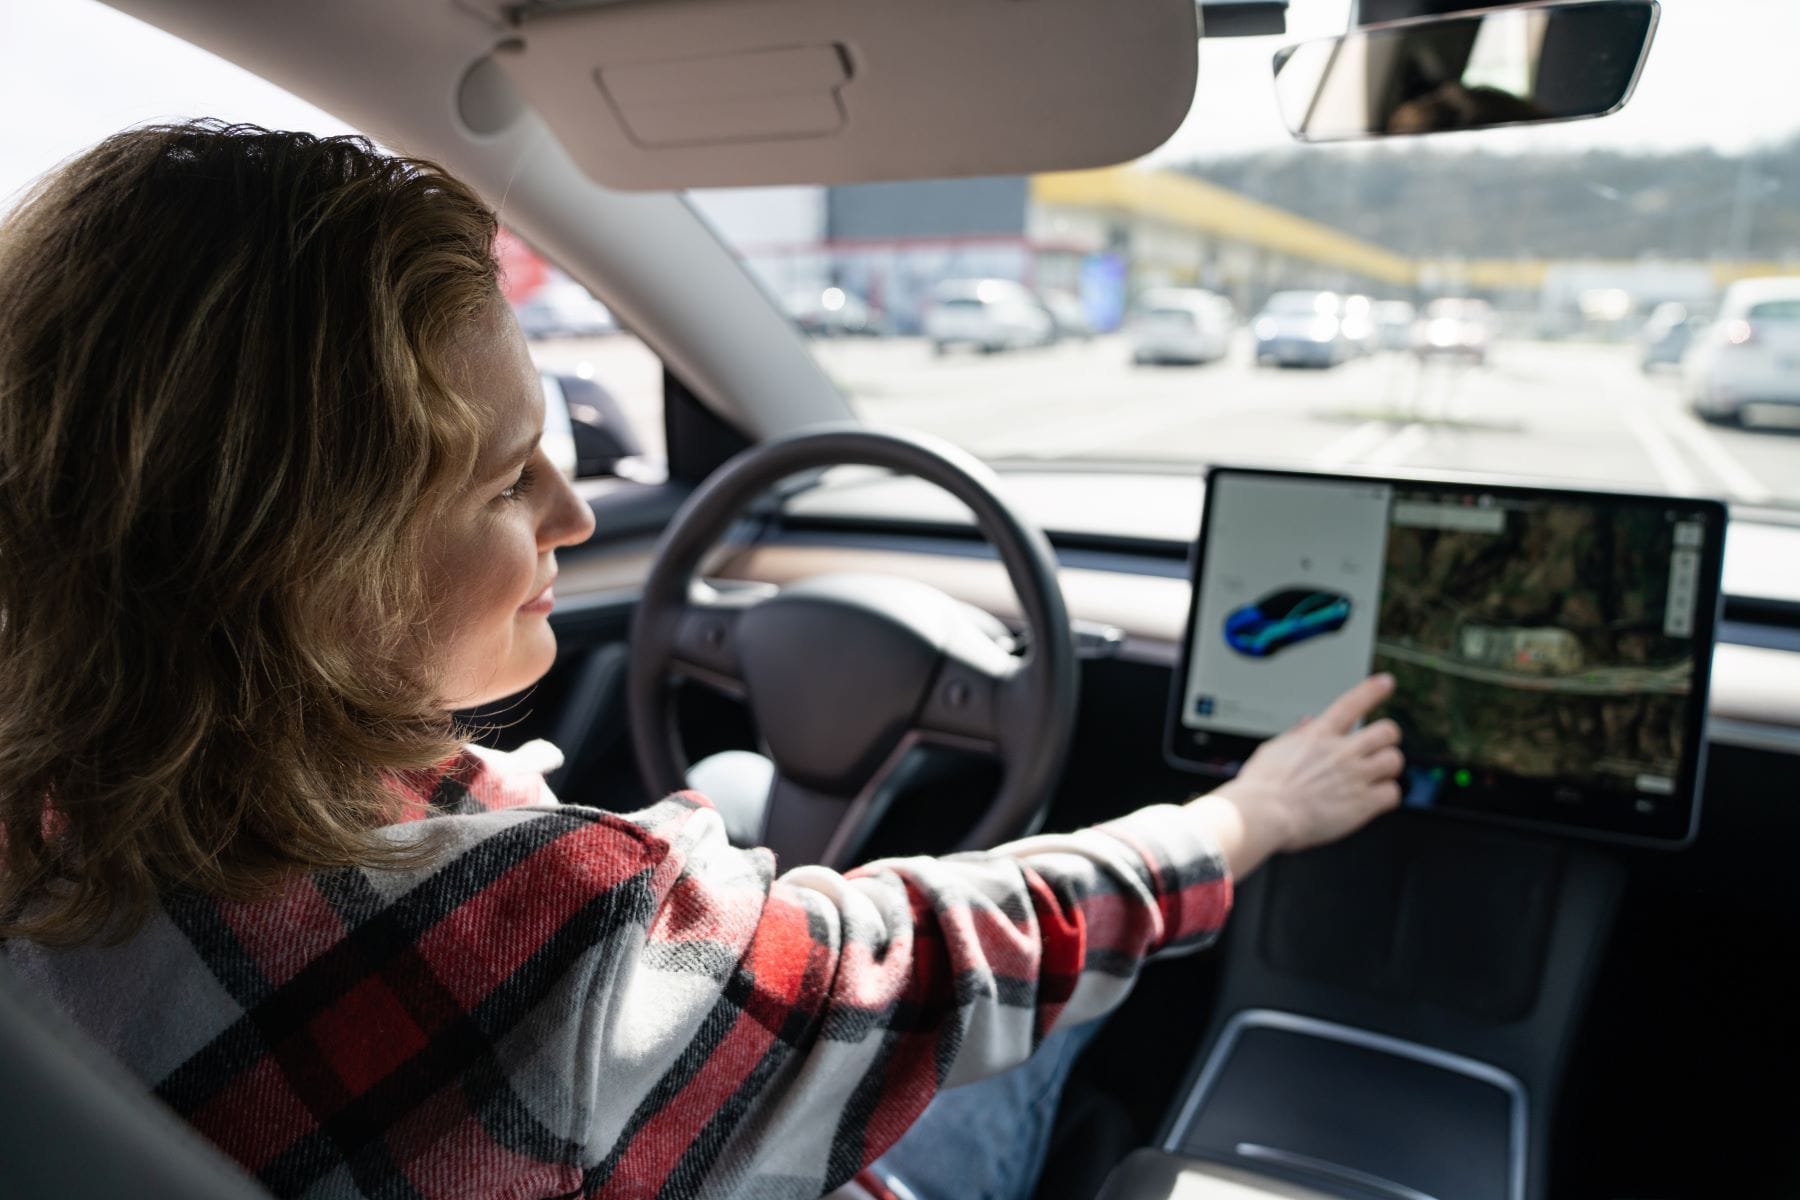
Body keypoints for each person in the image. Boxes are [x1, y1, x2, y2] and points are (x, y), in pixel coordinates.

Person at [0, 122, 1405, 1200]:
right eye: (505, 481)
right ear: (303, 558)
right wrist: (1245, 816)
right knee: (1055, 1038)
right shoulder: (553, 929)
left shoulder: (45, 818)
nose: (575, 512)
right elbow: (931, 965)